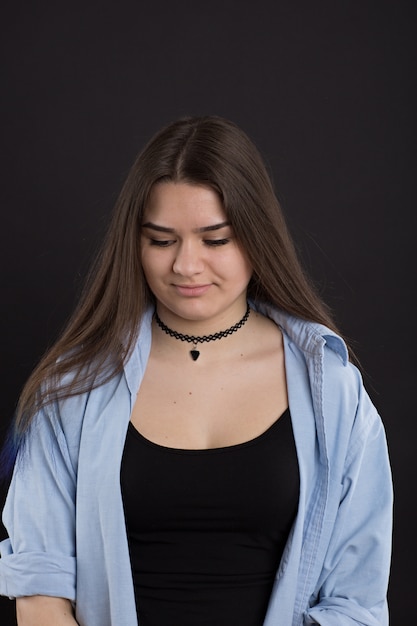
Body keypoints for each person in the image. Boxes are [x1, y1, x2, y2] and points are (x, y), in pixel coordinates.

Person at [0, 115, 392, 626]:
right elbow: (39, 594)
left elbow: (355, 604)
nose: (186, 265)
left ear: (257, 237)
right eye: (161, 241)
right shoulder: (72, 389)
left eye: (216, 240)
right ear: (134, 244)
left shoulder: (334, 392)